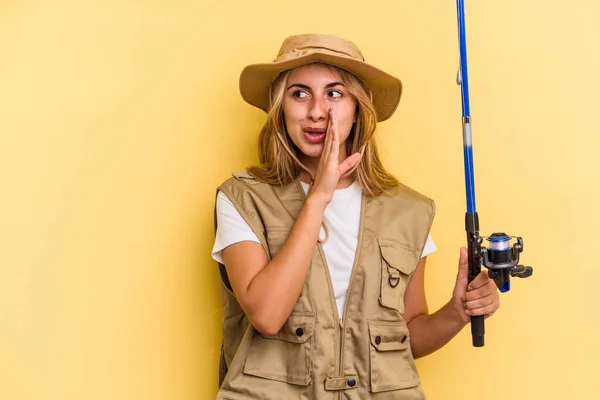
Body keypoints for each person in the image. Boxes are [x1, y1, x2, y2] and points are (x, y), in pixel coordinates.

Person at [211, 33, 500, 400]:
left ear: (357, 107)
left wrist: (457, 312)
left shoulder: (408, 210)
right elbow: (267, 315)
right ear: (280, 107)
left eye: (334, 94)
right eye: (299, 93)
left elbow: (405, 337)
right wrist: (318, 197)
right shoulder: (242, 198)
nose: (317, 111)